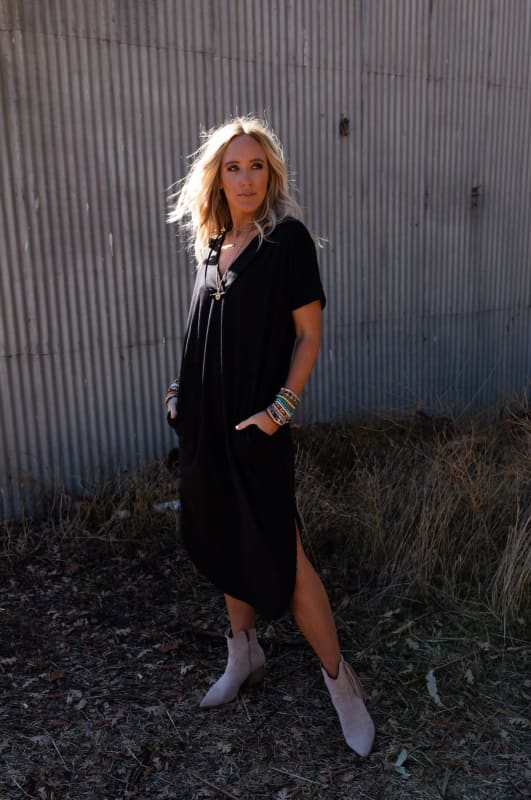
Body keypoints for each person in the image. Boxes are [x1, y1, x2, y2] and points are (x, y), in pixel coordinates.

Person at [165, 116, 375, 757]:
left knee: (285, 555)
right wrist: (178, 392)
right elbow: (202, 332)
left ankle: (342, 685)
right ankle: (243, 655)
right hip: (206, 426)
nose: (246, 178)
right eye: (233, 167)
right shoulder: (213, 244)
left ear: (270, 174)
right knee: (224, 533)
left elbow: (308, 335)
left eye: (256, 166)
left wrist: (280, 409)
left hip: (258, 426)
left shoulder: (286, 242)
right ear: (217, 178)